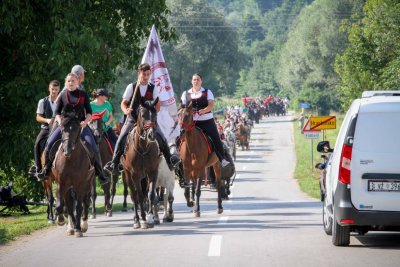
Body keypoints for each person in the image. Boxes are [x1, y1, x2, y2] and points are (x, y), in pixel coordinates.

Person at [104, 63, 180, 175]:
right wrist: (126, 110)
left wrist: (154, 109)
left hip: (149, 119)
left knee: (161, 137)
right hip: (133, 119)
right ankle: (114, 163)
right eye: (144, 74)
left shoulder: (153, 88)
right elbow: (123, 103)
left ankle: (170, 160)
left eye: (148, 74)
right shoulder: (132, 87)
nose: (146, 76)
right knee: (121, 137)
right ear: (139, 73)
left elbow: (158, 106)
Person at [37, 73, 109, 184]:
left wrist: (86, 122)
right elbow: (57, 112)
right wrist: (60, 122)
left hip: (80, 125)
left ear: (77, 82)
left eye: (73, 81)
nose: (71, 83)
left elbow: (89, 112)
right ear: (66, 82)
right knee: (49, 143)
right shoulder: (62, 95)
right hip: (65, 124)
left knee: (94, 146)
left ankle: (100, 174)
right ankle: (45, 170)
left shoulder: (83, 95)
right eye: (69, 81)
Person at [180, 73, 230, 167]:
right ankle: (177, 159)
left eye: (198, 79)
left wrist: (204, 110)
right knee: (179, 137)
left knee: (215, 137)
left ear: (201, 81)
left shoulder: (207, 92)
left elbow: (211, 105)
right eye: (194, 79)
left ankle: (222, 158)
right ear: (191, 81)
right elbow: (182, 107)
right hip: (191, 122)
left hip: (206, 121)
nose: (196, 81)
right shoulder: (185, 94)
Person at [28, 80, 60, 176]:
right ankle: (37, 167)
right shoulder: (42, 101)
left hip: (59, 129)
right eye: (52, 89)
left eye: (56, 89)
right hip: (46, 128)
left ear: (59, 90)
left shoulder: (62, 101)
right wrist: (47, 120)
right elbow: (38, 117)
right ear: (49, 89)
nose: (54, 91)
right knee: (37, 143)